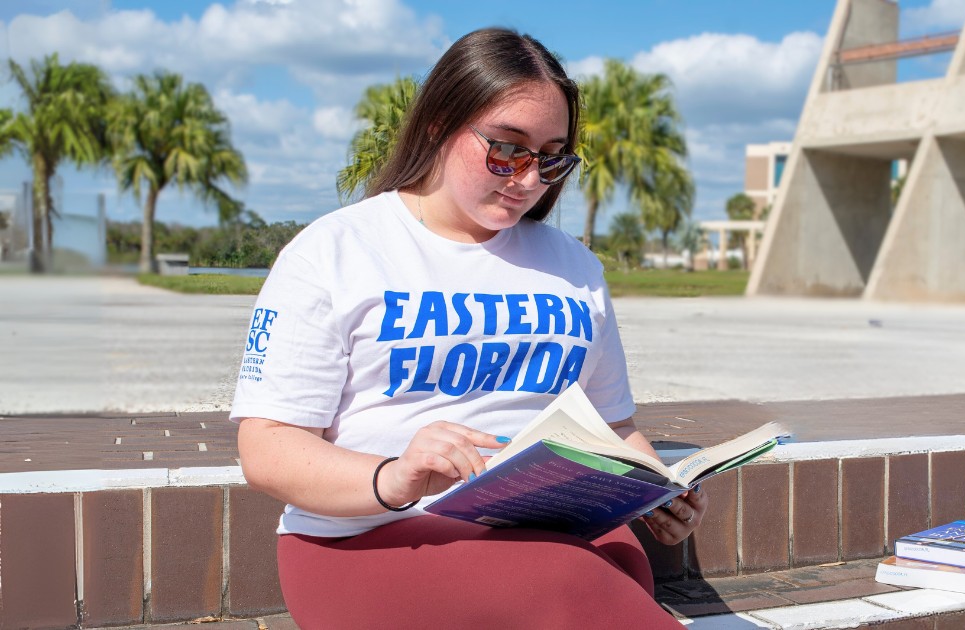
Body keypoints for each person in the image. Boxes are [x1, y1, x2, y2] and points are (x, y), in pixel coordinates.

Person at [233, 27, 705, 629]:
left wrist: (663, 489)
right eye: (507, 149)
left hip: (551, 533)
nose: (531, 179)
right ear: (437, 126)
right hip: (375, 537)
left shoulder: (575, 267)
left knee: (604, 565)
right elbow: (268, 447)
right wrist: (396, 475)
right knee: (568, 584)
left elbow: (614, 425)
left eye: (553, 156)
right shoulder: (335, 252)